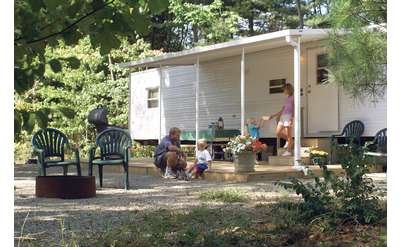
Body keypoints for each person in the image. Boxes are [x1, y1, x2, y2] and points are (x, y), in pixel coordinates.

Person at [265, 83, 294, 156]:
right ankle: (289, 141)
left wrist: (292, 119)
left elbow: (294, 108)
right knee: (278, 133)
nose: (283, 91)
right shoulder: (287, 99)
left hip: (288, 117)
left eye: (284, 90)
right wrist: (273, 116)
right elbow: (282, 110)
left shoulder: (293, 98)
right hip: (283, 117)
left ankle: (289, 151)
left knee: (289, 134)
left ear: (288, 89)